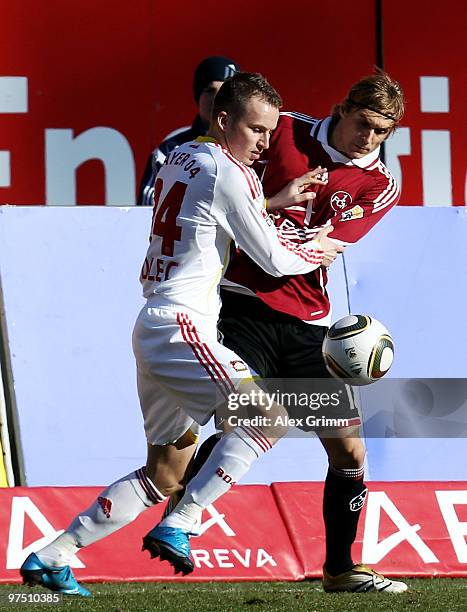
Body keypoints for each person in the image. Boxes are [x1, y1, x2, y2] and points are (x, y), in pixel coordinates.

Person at [19, 72, 342, 596]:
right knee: (270, 416)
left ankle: (53, 555)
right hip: (181, 325)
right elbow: (273, 258)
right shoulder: (231, 173)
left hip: (156, 325)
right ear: (223, 120)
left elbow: (209, 216)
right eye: (256, 129)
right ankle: (183, 520)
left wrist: (274, 201)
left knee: (165, 472)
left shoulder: (187, 155)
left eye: (269, 131)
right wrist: (316, 249)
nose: (264, 141)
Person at [183, 71, 408, 593]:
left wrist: (273, 227)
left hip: (309, 322)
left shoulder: (379, 184)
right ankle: (176, 502)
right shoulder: (281, 130)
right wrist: (272, 212)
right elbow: (221, 191)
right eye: (364, 124)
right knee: (242, 421)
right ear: (342, 107)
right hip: (245, 305)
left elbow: (326, 248)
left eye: (382, 132)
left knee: (348, 452)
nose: (369, 139)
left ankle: (339, 569)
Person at [137, 55, 240, 206]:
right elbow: (146, 210)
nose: (217, 99)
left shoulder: (253, 148)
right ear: (198, 96)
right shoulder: (168, 152)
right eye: (210, 91)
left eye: (224, 92)